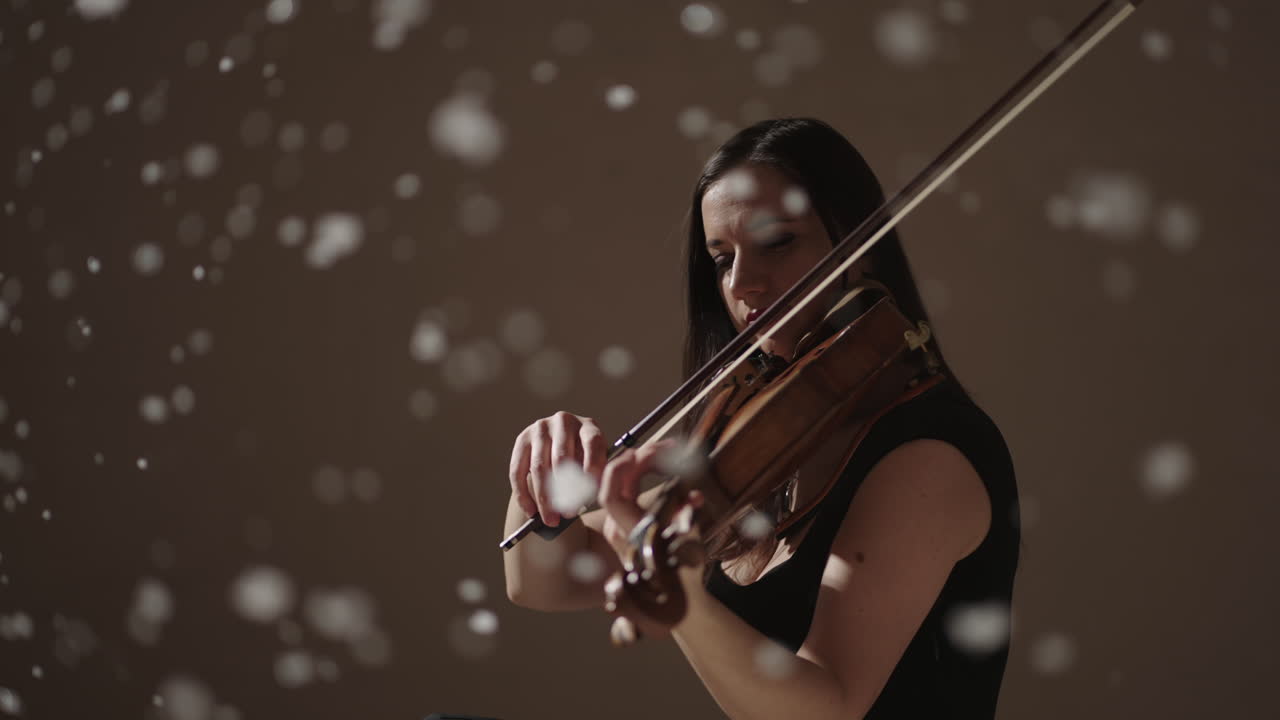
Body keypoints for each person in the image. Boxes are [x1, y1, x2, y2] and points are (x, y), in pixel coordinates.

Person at [502, 117, 1021, 720]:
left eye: (776, 242)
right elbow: (543, 581)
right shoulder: (768, 438)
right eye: (722, 260)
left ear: (860, 244)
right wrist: (546, 474)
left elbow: (827, 707)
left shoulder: (930, 454)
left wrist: (684, 600)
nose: (742, 282)